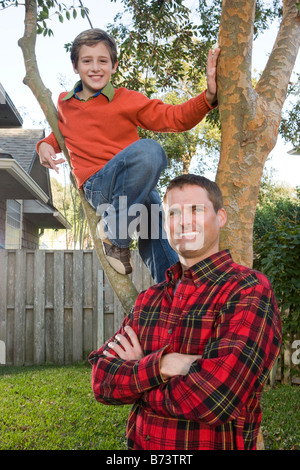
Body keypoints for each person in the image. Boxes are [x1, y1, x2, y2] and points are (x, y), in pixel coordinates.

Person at [88, 173, 282, 451]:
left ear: (221, 217)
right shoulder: (148, 301)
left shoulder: (248, 290)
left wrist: (140, 376)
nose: (183, 221)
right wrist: (166, 365)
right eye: (174, 213)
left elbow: (215, 399)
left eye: (196, 210)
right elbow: (101, 380)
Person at [37, 28, 220, 283]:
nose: (95, 67)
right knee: (150, 151)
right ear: (75, 66)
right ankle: (115, 233)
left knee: (157, 230)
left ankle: (174, 294)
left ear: (114, 66)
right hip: (99, 187)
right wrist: (45, 145)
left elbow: (174, 117)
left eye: (103, 61)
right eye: (87, 61)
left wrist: (208, 97)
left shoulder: (127, 100)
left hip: (135, 188)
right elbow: (62, 134)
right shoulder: (65, 103)